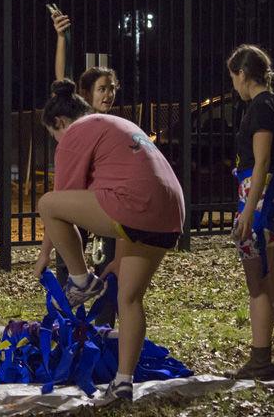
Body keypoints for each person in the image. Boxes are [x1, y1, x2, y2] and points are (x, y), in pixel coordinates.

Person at [33, 79, 184, 401]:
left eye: (53, 134)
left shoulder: (74, 133)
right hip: (169, 211)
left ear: (59, 123)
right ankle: (123, 382)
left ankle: (81, 280)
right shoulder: (116, 123)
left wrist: (45, 254)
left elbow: (59, 203)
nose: (56, 141)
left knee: (46, 203)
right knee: (128, 298)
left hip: (133, 204)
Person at [226, 44, 274, 380]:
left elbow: (260, 162)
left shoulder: (259, 109)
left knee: (256, 285)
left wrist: (247, 213)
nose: (233, 86)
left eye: (233, 78)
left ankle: (260, 360)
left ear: (243, 74)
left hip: (260, 203)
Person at [50, 8, 120, 325]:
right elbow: (60, 80)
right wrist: (62, 38)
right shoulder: (77, 120)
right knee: (70, 262)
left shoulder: (114, 124)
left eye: (112, 88)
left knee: (107, 263)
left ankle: (102, 324)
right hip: (79, 201)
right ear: (87, 94)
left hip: (106, 203)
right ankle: (71, 323)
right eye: (102, 88)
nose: (108, 94)